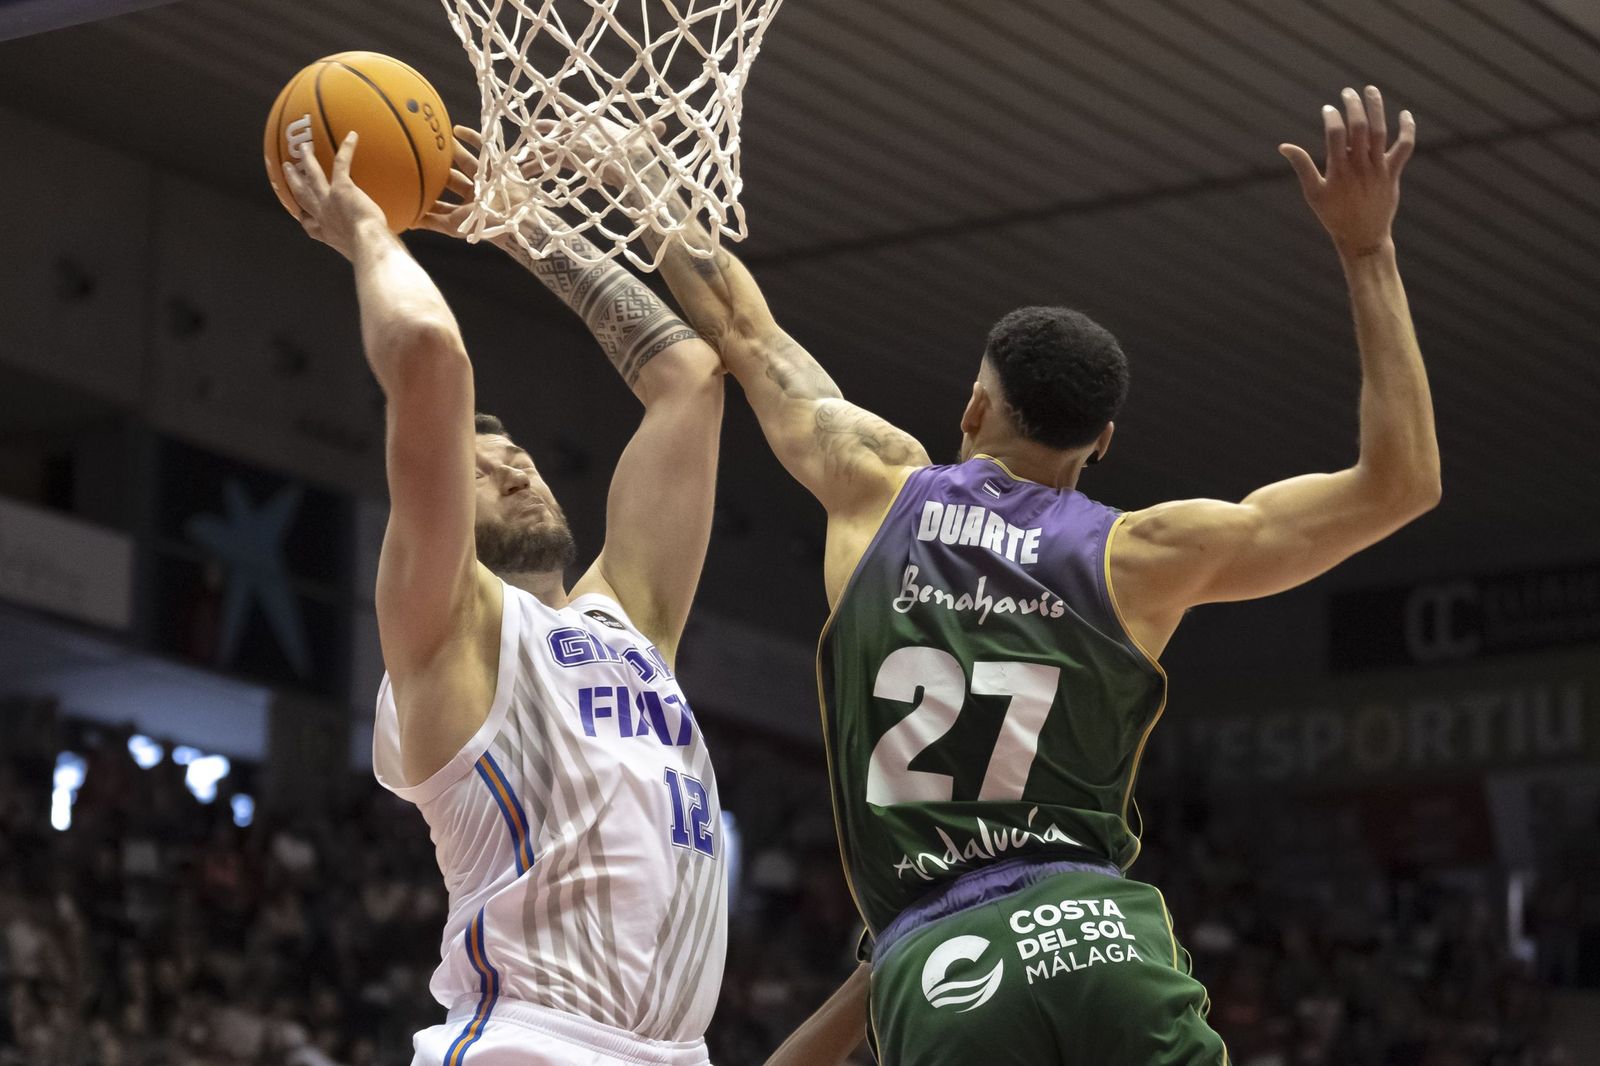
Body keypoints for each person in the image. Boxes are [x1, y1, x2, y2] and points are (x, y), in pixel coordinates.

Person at [606, 85, 1437, 1063]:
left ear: (973, 409)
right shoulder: (1142, 554)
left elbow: (744, 333)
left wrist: (641, 180)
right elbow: (1400, 484)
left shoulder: (876, 486)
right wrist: (1367, 250)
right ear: (1102, 442)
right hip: (1099, 935)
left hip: (942, 961)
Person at [280, 130, 729, 1066]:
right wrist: (366, 232)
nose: (515, 471)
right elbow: (429, 353)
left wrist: (523, 225)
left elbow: (688, 379)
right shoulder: (447, 632)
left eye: (518, 456)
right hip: (527, 1042)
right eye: (480, 471)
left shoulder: (630, 621)